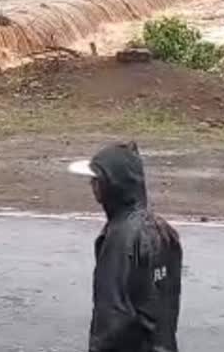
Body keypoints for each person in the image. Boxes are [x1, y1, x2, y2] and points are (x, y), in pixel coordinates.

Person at [69, 142, 182, 352]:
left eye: (97, 180)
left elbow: (113, 319)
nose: (92, 186)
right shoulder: (164, 232)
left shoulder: (119, 240)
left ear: (113, 183)